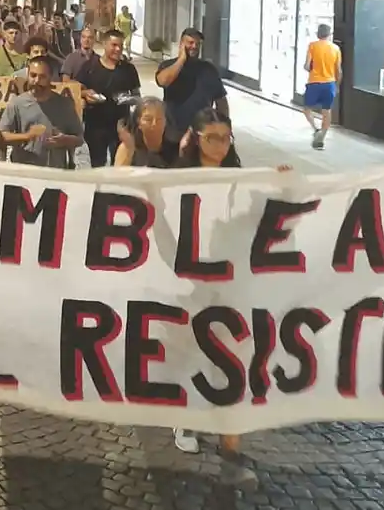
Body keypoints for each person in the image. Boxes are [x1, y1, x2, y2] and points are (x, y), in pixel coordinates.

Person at [169, 108, 289, 481]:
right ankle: (184, 419)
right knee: (194, 348)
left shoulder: (241, 179)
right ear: (196, 138)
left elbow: (259, 217)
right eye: (212, 137)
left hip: (230, 277)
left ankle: (230, 443)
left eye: (226, 138)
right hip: (193, 275)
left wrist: (281, 186)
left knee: (230, 353)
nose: (220, 145)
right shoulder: (180, 179)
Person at [0, 55, 83, 167]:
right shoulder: (17, 104)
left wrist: (64, 140)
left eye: (42, 77)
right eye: (33, 75)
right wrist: (28, 136)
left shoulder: (64, 105)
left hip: (55, 173)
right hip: (25, 173)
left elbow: (79, 139)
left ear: (51, 77)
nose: (36, 81)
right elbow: (3, 137)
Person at [75, 28, 141, 168]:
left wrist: (127, 99)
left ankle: (116, 190)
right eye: (114, 45)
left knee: (120, 164)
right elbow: (76, 89)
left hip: (121, 125)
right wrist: (86, 94)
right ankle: (99, 189)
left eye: (121, 46)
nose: (118, 49)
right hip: (95, 125)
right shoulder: (90, 66)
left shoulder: (128, 69)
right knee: (97, 164)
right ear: (105, 45)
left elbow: (137, 96)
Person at [154, 28, 229, 150]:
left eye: (198, 44)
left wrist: (224, 127)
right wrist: (181, 60)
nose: (194, 46)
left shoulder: (209, 69)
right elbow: (163, 81)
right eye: (190, 43)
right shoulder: (168, 66)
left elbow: (221, 100)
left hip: (201, 133)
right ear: (181, 44)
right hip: (173, 133)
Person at [302, 23, 343, 149]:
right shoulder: (336, 49)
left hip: (314, 82)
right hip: (329, 83)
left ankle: (316, 129)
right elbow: (339, 71)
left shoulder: (313, 46)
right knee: (327, 111)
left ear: (318, 34)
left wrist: (312, 70)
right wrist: (337, 85)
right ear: (329, 34)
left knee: (307, 109)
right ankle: (322, 137)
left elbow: (307, 66)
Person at [114, 96, 179, 168]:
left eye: (159, 119)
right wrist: (129, 151)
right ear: (138, 122)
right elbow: (118, 177)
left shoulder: (175, 148)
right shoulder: (128, 148)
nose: (154, 124)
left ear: (165, 122)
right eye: (148, 119)